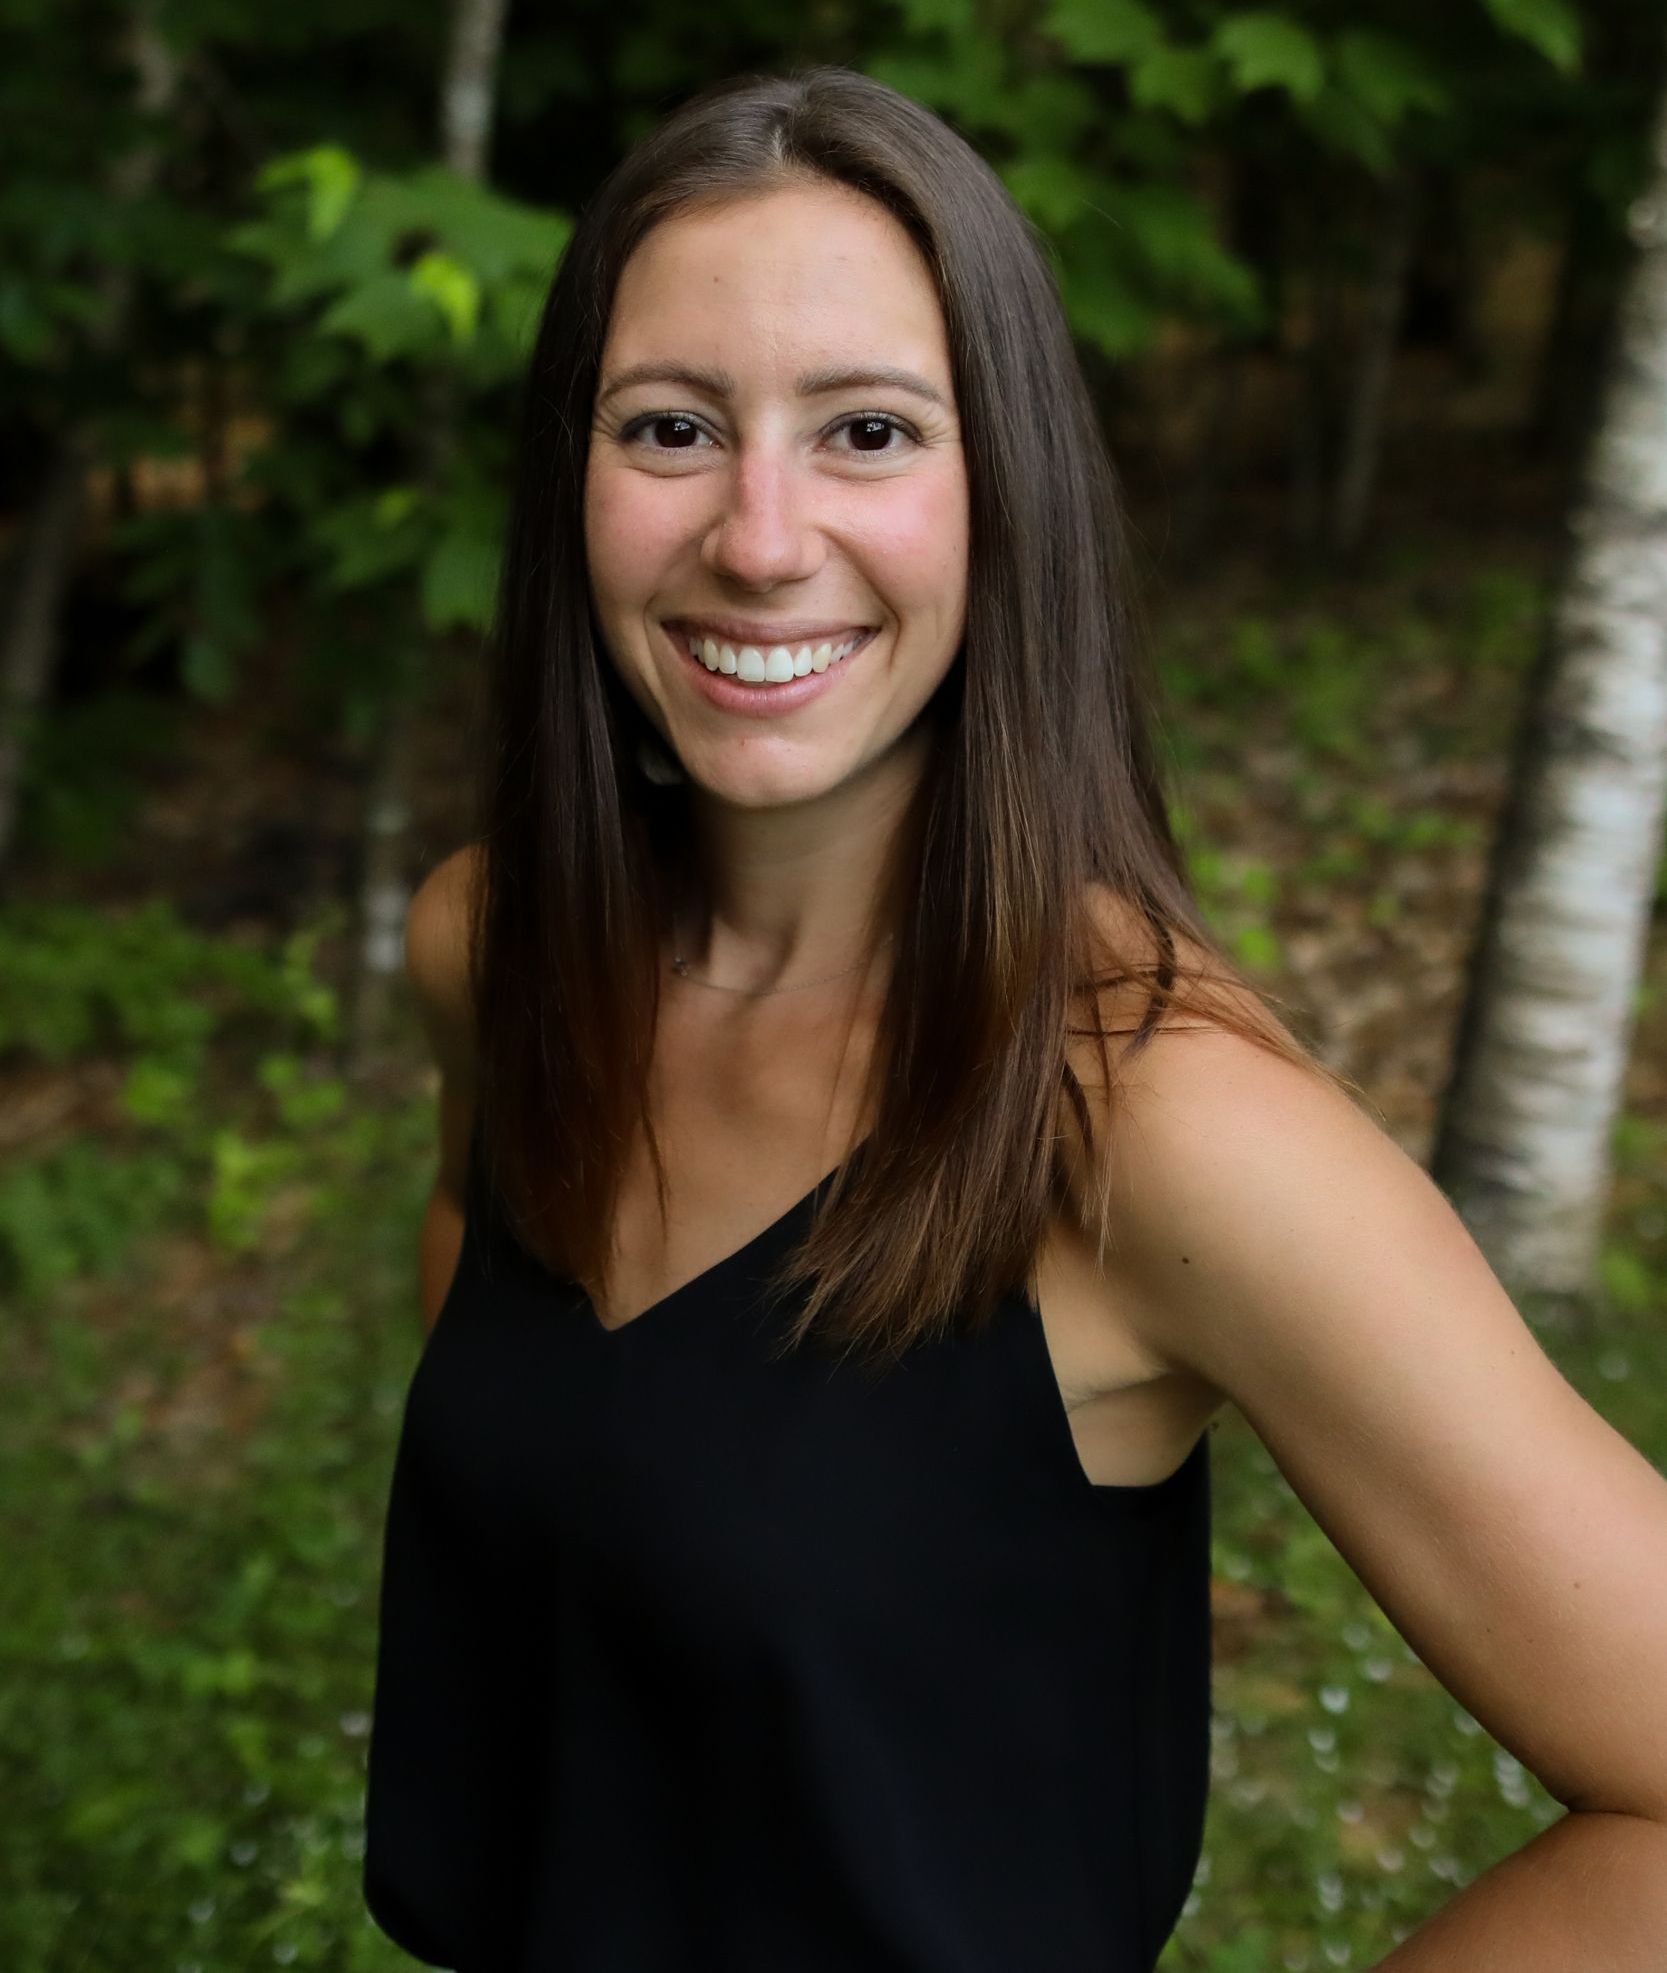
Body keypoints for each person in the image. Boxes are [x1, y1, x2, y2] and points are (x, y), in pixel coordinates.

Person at [362, 63, 1667, 1973]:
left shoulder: (1157, 1123)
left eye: (871, 429)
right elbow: (495, 1277)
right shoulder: (495, 947)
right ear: (574, 477)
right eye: (671, 427)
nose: (761, 530)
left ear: (1011, 494)